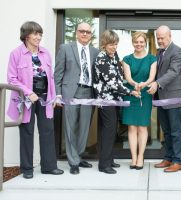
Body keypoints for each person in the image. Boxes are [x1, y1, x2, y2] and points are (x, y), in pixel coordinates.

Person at [7, 21, 64, 179]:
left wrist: (54, 96)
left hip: (45, 97)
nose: (39, 37)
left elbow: (50, 78)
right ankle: (27, 168)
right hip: (25, 100)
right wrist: (28, 92)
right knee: (27, 131)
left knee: (47, 131)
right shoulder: (16, 54)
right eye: (35, 34)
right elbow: (12, 79)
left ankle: (49, 166)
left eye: (40, 34)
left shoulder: (45, 53)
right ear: (26, 36)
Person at [93, 30, 140, 174]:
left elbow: (119, 76)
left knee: (112, 130)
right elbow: (113, 82)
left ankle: (109, 159)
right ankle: (104, 165)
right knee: (108, 130)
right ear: (104, 44)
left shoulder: (113, 56)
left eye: (115, 44)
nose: (114, 47)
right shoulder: (102, 58)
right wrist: (130, 91)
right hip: (106, 100)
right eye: (111, 44)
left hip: (115, 100)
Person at [54, 22, 99, 175]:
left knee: (84, 128)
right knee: (70, 127)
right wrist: (58, 94)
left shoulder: (95, 51)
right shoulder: (65, 48)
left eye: (88, 32)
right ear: (76, 33)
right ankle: (73, 162)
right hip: (70, 93)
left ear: (91, 35)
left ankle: (78, 155)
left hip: (88, 93)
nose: (85, 34)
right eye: (82, 31)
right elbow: (58, 73)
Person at [148, 25, 181, 173]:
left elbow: (173, 72)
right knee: (167, 131)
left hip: (174, 98)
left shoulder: (177, 51)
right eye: (158, 38)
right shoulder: (159, 52)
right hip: (161, 98)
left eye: (162, 38)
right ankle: (169, 157)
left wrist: (157, 83)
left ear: (170, 36)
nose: (160, 40)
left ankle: (178, 161)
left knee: (176, 131)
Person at [122, 31, 157, 170]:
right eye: (136, 42)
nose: (139, 44)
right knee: (131, 127)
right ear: (133, 43)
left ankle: (141, 157)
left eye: (141, 42)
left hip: (145, 93)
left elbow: (152, 77)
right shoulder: (127, 59)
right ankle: (133, 158)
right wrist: (135, 84)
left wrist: (143, 84)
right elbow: (128, 77)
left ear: (145, 43)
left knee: (142, 127)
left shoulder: (152, 59)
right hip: (131, 93)